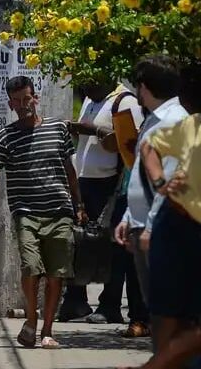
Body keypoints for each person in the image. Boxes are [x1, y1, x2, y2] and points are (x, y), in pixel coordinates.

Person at [0, 76, 86, 350]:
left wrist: (79, 205)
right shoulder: (6, 136)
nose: (23, 105)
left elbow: (69, 171)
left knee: (57, 273)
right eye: (17, 101)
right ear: (10, 104)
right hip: (26, 213)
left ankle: (47, 330)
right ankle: (32, 319)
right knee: (31, 267)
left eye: (27, 99)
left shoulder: (57, 129)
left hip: (60, 211)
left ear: (35, 98)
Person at [57, 78, 147, 329]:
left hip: (111, 184)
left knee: (113, 249)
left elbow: (129, 144)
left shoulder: (125, 101)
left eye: (90, 82)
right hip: (85, 182)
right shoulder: (90, 100)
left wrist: (94, 130)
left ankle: (110, 305)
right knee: (79, 243)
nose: (86, 88)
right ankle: (76, 301)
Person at [114, 55, 188, 337]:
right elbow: (140, 173)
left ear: (145, 87)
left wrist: (151, 226)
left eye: (139, 86)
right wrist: (128, 216)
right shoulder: (153, 120)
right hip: (143, 223)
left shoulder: (173, 122)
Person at [136, 60, 201, 367]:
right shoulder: (190, 126)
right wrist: (160, 182)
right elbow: (149, 148)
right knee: (167, 312)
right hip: (178, 223)